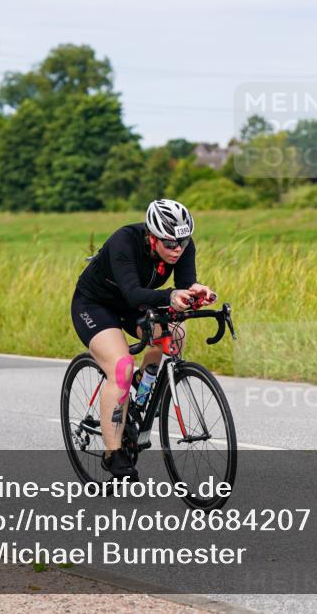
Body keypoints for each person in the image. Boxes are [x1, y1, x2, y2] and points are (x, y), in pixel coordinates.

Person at [71, 199, 215, 481]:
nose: (177, 249)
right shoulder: (124, 241)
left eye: (182, 243)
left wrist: (196, 292)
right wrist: (170, 295)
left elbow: (184, 284)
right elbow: (133, 292)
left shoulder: (183, 246)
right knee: (122, 366)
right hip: (95, 305)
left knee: (174, 334)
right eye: (170, 243)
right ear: (152, 236)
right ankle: (113, 454)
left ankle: (145, 382)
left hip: (133, 306)